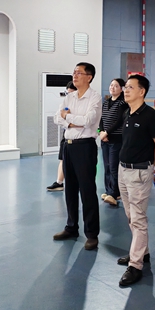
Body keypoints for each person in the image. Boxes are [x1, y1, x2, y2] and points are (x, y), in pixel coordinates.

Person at [117, 74, 155, 286]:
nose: (125, 90)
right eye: (125, 87)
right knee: (130, 215)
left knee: (138, 219)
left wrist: (149, 166)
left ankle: (135, 265)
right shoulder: (128, 113)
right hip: (123, 170)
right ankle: (141, 252)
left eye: (130, 87)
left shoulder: (150, 116)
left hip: (139, 172)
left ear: (141, 91)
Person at [53, 63, 102, 250]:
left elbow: (89, 121)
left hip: (85, 147)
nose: (75, 75)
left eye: (79, 73)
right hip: (68, 146)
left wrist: (68, 117)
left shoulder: (94, 97)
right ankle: (71, 227)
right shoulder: (69, 96)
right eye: (74, 72)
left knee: (87, 191)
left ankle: (92, 234)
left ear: (89, 77)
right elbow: (57, 118)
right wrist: (71, 121)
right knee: (70, 190)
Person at [99, 78, 127, 206]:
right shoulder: (106, 102)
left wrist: (107, 132)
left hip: (116, 139)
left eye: (116, 86)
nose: (112, 87)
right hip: (105, 139)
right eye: (111, 85)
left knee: (113, 166)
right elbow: (101, 119)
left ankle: (114, 193)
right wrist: (101, 132)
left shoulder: (122, 103)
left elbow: (120, 121)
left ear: (121, 89)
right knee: (106, 166)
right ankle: (108, 191)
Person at [47, 81, 77, 192]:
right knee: (63, 158)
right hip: (66, 134)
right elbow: (57, 118)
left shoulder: (82, 105)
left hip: (78, 137)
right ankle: (59, 182)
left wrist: (67, 118)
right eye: (67, 93)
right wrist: (68, 124)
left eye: (71, 93)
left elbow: (82, 121)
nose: (69, 95)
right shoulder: (65, 104)